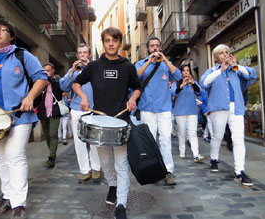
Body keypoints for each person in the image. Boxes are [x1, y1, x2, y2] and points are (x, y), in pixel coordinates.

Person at [0, 19, 47, 219]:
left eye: (3, 30)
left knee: (14, 156)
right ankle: (7, 196)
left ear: (11, 36)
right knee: (1, 159)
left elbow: (41, 77)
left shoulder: (22, 55)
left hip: (19, 115)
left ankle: (18, 203)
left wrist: (30, 97)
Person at [72, 27, 141, 219]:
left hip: (121, 121)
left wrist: (133, 99)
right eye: (108, 40)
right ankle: (112, 184)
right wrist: (83, 96)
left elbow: (137, 86)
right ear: (103, 43)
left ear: (120, 43)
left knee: (121, 163)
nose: (111, 44)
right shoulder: (94, 66)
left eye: (115, 40)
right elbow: (76, 82)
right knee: (105, 162)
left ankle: (121, 204)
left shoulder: (127, 66)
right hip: (100, 123)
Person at [200, 44, 257, 187]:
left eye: (227, 52)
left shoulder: (236, 71)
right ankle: (214, 159)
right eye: (221, 53)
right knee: (217, 136)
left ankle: (240, 171)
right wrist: (222, 70)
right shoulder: (212, 71)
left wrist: (236, 65)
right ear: (216, 57)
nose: (225, 55)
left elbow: (252, 75)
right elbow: (204, 83)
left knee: (238, 139)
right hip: (218, 108)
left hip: (236, 108)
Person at [135, 37, 181, 185]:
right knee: (150, 141)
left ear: (160, 48)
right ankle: (153, 170)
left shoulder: (167, 64)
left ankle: (168, 171)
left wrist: (166, 61)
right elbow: (135, 77)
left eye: (157, 46)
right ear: (148, 48)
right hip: (147, 108)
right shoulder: (141, 64)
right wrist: (149, 62)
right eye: (152, 46)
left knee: (166, 139)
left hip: (164, 108)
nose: (155, 48)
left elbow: (178, 76)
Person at [59, 43, 101, 183]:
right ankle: (85, 170)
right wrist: (71, 71)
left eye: (85, 53)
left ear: (89, 55)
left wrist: (89, 67)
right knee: (79, 142)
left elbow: (101, 84)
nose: (83, 55)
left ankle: (96, 168)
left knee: (94, 141)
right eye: (80, 53)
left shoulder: (95, 68)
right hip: (77, 109)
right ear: (77, 55)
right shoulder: (73, 71)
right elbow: (63, 87)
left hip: (93, 109)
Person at [172, 65, 205, 162]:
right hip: (180, 111)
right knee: (182, 132)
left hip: (192, 111)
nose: (186, 72)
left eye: (188, 70)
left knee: (193, 133)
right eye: (184, 70)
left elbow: (200, 92)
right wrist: (182, 85)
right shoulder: (176, 83)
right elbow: (173, 93)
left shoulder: (193, 83)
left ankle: (196, 154)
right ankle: (182, 151)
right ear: (181, 73)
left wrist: (193, 83)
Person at [36, 62, 64, 168]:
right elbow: (37, 96)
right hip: (43, 111)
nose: (46, 73)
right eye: (44, 71)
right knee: (47, 135)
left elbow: (59, 87)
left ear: (53, 71)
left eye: (48, 70)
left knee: (53, 134)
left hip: (54, 111)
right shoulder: (41, 82)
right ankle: (52, 152)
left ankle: (52, 157)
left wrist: (48, 78)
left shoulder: (57, 81)